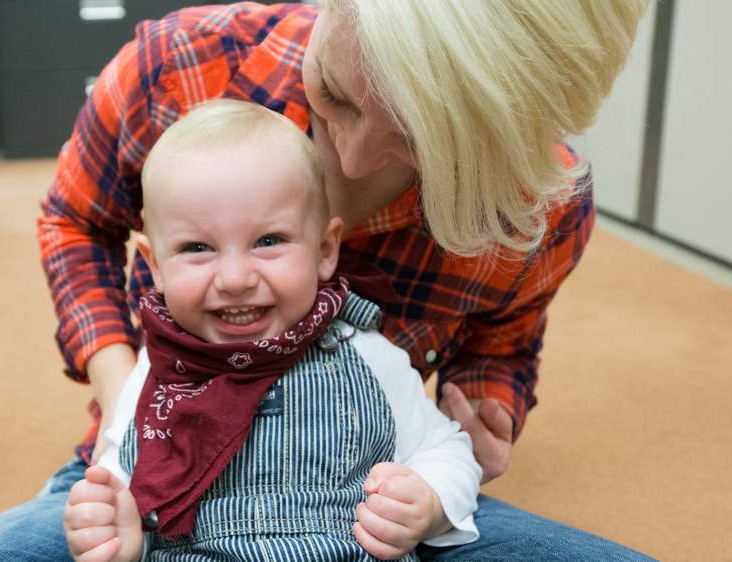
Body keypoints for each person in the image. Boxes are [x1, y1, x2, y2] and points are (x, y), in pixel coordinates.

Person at [0, 1, 655, 560]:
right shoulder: (176, 66)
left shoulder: (538, 203)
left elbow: (503, 346)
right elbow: (74, 222)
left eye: (418, 144)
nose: (353, 163)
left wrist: (478, 427)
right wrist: (122, 407)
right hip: (162, 496)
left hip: (368, 501)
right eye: (337, 95)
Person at [63, 99, 482, 561]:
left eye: (268, 241)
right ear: (154, 266)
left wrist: (429, 502)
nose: (237, 279)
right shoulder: (155, 371)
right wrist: (112, 524)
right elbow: (119, 469)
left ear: (325, 250)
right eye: (198, 247)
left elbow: (446, 449)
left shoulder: (363, 352)